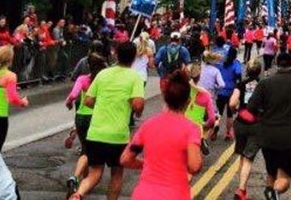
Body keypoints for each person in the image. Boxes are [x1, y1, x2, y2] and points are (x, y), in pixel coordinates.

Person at [72, 42, 145, 200]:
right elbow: (138, 104)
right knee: (117, 174)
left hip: (96, 132)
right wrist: (134, 108)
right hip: (117, 135)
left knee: (94, 174)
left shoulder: (102, 74)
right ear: (133, 59)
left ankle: (78, 194)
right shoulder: (135, 77)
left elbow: (88, 100)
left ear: (116, 55)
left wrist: (104, 101)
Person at [118, 69, 203, 200]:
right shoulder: (191, 129)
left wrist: (145, 164)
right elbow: (194, 166)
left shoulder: (148, 125)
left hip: (143, 195)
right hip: (175, 194)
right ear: (188, 101)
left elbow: (125, 159)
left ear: (165, 98)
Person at [247, 53, 291, 200]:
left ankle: (270, 192)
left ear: (276, 64)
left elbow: (251, 107)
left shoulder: (265, 83)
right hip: (289, 138)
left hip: (268, 137)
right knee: (285, 177)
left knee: (271, 173)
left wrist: (263, 117)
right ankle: (274, 193)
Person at [65, 53, 108, 194]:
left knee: (85, 148)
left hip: (81, 117)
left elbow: (74, 94)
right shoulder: (103, 80)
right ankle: (78, 177)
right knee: (89, 150)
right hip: (95, 116)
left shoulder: (83, 79)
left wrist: (69, 102)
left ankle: (82, 179)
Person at [229, 60, 263, 200]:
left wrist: (236, 110)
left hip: (241, 122)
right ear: (259, 71)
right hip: (257, 124)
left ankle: (242, 186)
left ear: (247, 71)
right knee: (249, 158)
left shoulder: (241, 84)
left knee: (242, 156)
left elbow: (232, 103)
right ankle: (242, 189)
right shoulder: (263, 85)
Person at [216, 47, 243, 141]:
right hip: (231, 92)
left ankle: (215, 131)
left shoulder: (221, 63)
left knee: (218, 112)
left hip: (220, 91)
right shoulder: (236, 63)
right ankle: (228, 133)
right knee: (230, 114)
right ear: (235, 55)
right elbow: (239, 75)